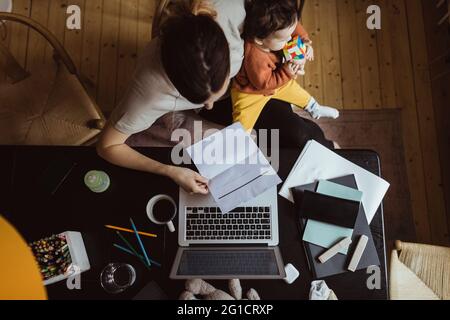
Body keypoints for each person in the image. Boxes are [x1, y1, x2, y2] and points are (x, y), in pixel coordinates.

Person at [97, 0, 335, 196]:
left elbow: (279, 14)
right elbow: (107, 146)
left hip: (245, 87)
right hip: (234, 93)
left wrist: (294, 45)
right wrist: (169, 171)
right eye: (200, 100)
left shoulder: (230, 9)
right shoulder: (146, 93)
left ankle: (332, 155)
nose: (209, 104)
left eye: (214, 93)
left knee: (300, 133)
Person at [231, 0, 340, 132]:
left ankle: (314, 108)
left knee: (297, 92)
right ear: (260, 40)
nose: (290, 40)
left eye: (290, 34)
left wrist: (304, 42)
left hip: (277, 79)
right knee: (242, 123)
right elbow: (264, 84)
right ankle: (240, 138)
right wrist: (286, 72)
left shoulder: (279, 27)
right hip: (251, 92)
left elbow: (295, 27)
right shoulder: (255, 57)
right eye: (283, 39)